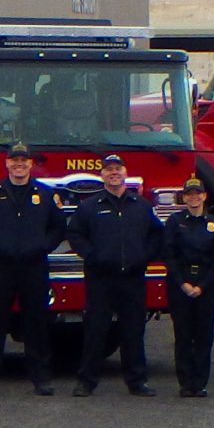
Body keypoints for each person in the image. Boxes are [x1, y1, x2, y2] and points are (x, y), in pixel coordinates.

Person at [0, 143, 66, 396]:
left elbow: (58, 227)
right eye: (14, 160)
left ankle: (41, 378)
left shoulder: (45, 194)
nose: (19, 164)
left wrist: (44, 246)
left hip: (34, 266)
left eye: (24, 160)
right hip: (1, 266)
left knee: (37, 325)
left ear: (31, 164)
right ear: (7, 163)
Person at [71, 154, 162, 397]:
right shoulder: (90, 206)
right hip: (101, 279)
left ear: (125, 173)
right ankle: (86, 381)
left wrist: (144, 256)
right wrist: (93, 256)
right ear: (102, 174)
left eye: (118, 168)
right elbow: (76, 234)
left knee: (133, 331)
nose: (114, 173)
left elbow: (156, 234)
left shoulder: (140, 205)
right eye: (109, 169)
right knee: (95, 331)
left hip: (132, 278)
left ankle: (136, 381)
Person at [161, 177, 214, 396]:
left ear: (204, 196)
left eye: (197, 193)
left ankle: (200, 383)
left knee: (204, 335)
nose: (194, 197)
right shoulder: (175, 221)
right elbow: (169, 255)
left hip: (206, 285)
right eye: (189, 193)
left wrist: (202, 286)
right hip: (181, 283)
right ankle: (185, 383)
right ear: (184, 197)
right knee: (183, 335)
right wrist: (183, 283)